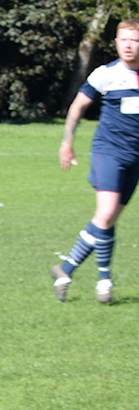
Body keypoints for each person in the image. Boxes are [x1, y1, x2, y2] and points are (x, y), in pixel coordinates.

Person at [53, 18, 139, 304]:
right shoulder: (107, 74)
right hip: (109, 152)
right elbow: (78, 105)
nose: (128, 45)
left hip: (134, 158)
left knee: (107, 220)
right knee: (105, 215)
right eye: (123, 39)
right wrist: (67, 142)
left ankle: (65, 270)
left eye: (134, 40)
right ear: (115, 42)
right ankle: (104, 280)